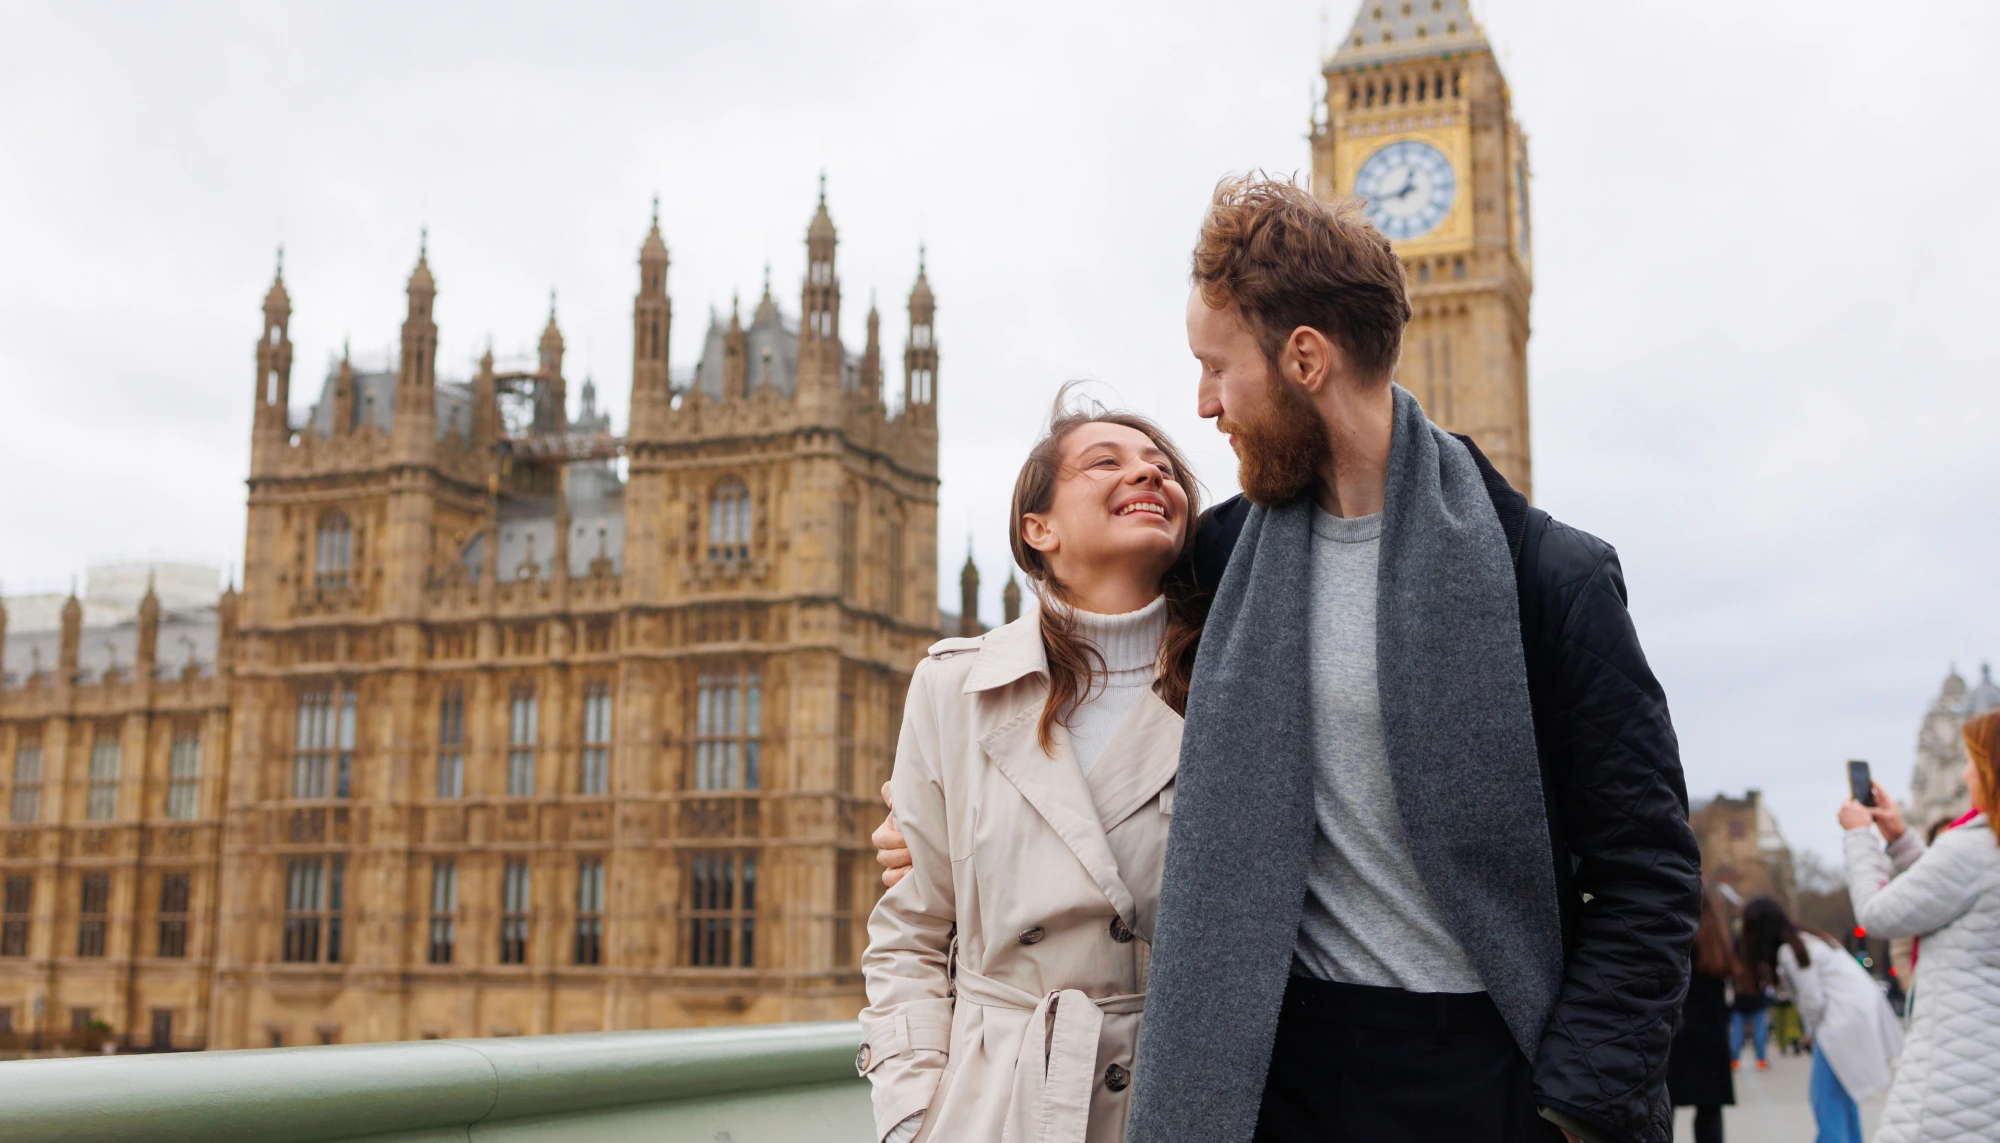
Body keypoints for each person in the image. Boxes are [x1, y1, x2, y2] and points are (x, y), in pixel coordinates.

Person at [878, 176, 1702, 1143]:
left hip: (1487, 1074)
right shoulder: (1224, 563)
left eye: (1217, 368)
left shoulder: (1549, 577)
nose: (1201, 405)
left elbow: (1648, 868)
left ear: (1303, 358)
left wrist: (1578, 1106)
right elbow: (1083, 649)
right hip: (1277, 1077)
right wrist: (935, 816)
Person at [857, 393, 1204, 1143]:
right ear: (1036, 528)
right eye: (1106, 461)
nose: (1147, 472)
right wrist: (914, 1116)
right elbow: (909, 936)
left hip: (1169, 1102)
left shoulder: (1234, 689)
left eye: (1164, 468)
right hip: (992, 1110)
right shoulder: (953, 687)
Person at [1837, 708, 2000, 1143]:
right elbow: (1953, 896)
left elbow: (1878, 913)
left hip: (1957, 1070)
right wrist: (1901, 840)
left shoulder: (1973, 848)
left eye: (1971, 761)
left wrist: (1859, 836)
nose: (1965, 774)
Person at [1739, 896, 1901, 1143]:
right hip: (1856, 1015)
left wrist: (1810, 1033)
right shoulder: (1807, 940)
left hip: (1839, 1023)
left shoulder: (1790, 952)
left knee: (1826, 1102)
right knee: (1843, 1102)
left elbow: (1812, 1000)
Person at [1668, 893, 1737, 1143]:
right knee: (1710, 1109)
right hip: (1712, 1036)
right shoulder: (1719, 944)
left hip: (1678, 1033)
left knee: (1665, 1108)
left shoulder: (1678, 938)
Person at [1727, 947, 1772, 1071]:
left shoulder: (1735, 966)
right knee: (1760, 1033)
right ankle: (1761, 1060)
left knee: (1737, 1034)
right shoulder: (1759, 964)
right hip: (1757, 1002)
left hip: (1739, 1004)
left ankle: (1734, 1060)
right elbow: (1767, 984)